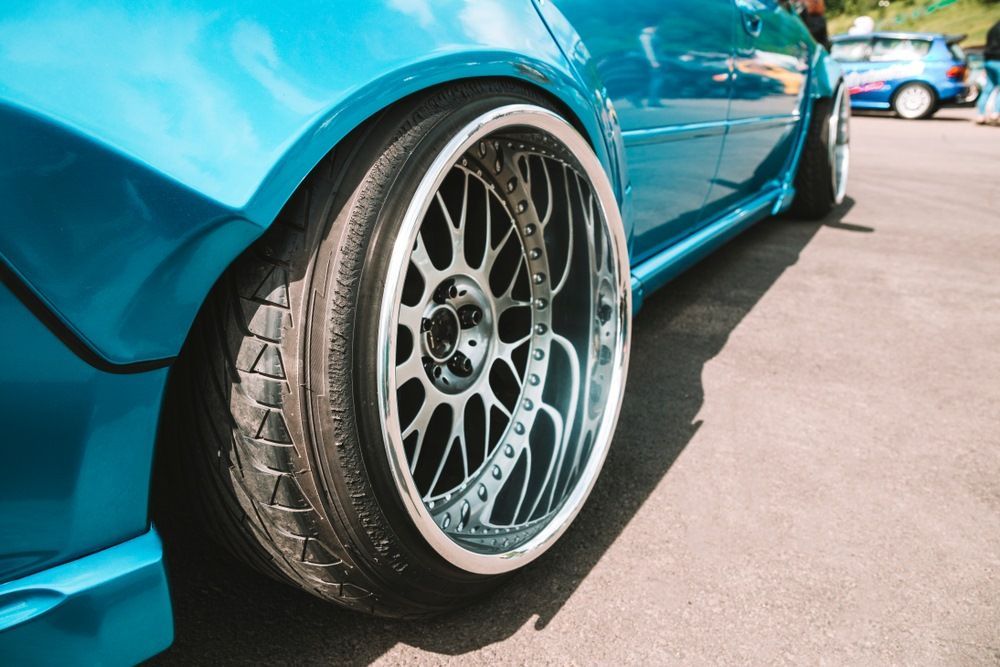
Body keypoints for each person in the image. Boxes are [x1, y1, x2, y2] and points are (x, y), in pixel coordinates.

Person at [976, 19, 1000, 125]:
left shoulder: (992, 29)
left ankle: (980, 115)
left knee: (988, 88)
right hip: (998, 61)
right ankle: (996, 113)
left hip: (988, 61)